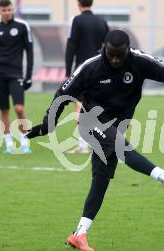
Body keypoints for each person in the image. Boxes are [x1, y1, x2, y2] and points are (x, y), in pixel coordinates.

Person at [27, 30, 164, 251]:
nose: (115, 60)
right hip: (90, 121)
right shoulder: (91, 67)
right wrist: (47, 124)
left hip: (116, 124)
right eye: (111, 55)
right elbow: (62, 93)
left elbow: (163, 69)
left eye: (120, 55)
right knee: (120, 146)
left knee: (101, 180)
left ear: (127, 50)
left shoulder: (138, 60)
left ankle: (79, 234)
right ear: (104, 51)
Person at [0, 0, 33, 154]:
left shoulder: (22, 26)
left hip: (16, 74)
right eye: (4, 10)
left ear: (12, 10)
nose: (7, 12)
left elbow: (29, 52)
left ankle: (25, 141)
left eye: (9, 9)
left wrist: (29, 75)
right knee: (4, 110)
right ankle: (9, 144)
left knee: (19, 108)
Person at [65, 0, 109, 154]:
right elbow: (108, 45)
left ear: (79, 4)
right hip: (100, 68)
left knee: (80, 104)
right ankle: (100, 141)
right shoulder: (102, 21)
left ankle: (83, 145)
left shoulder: (76, 20)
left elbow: (71, 46)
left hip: (83, 69)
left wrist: (67, 71)